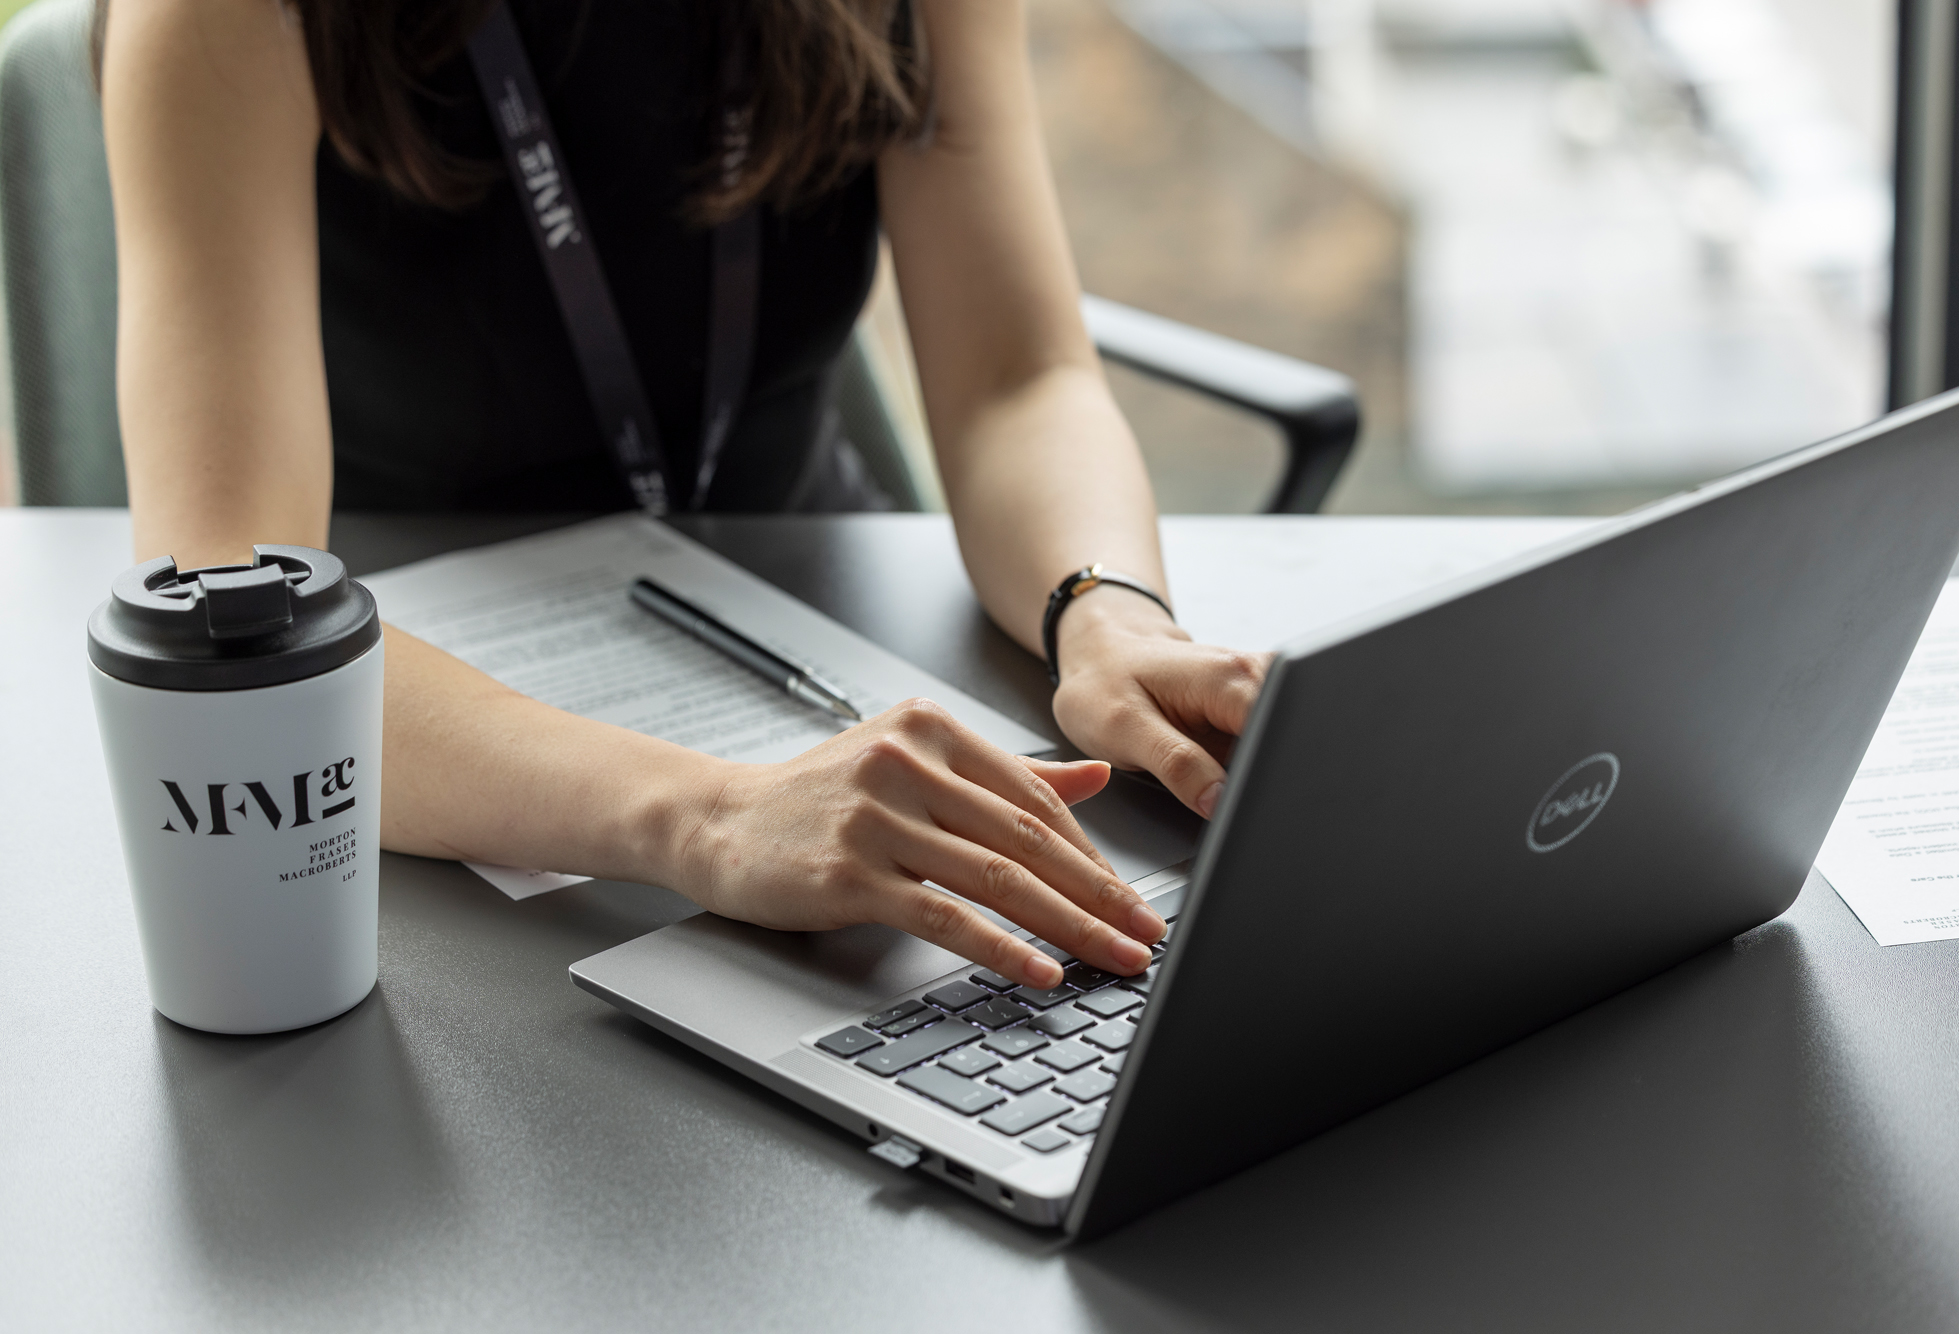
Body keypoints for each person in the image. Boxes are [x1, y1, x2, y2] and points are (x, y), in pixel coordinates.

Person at [98, 0, 1271, 989]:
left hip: (821, 642)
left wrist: (1104, 608)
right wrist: (704, 816)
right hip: (425, 717)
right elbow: (239, 628)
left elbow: (1018, 379)